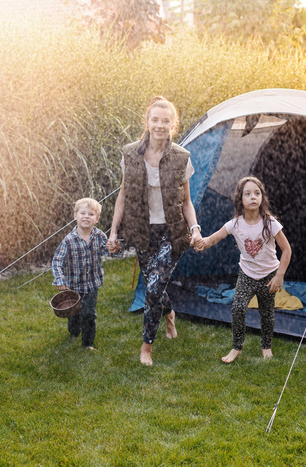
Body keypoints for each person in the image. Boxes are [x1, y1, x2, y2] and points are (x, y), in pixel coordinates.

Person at [107, 96, 202, 366]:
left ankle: (146, 346)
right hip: (142, 232)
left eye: (166, 121)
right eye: (155, 120)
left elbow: (187, 202)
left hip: (172, 233)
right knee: (155, 286)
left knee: (152, 289)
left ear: (173, 124)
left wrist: (194, 229)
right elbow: (123, 196)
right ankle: (169, 314)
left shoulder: (182, 157)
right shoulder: (130, 154)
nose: (160, 125)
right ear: (147, 122)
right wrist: (114, 232)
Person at [193, 176, 292, 363]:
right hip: (246, 275)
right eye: (248, 194)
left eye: (257, 193)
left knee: (267, 314)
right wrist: (200, 243)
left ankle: (266, 346)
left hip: (269, 276)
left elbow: (287, 250)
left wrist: (280, 275)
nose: (253, 197)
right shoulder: (235, 224)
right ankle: (237, 347)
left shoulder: (270, 223)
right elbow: (212, 240)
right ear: (240, 199)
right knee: (238, 308)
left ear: (262, 197)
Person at [52, 198, 107, 350]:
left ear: (97, 218)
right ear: (75, 216)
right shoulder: (69, 240)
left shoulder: (99, 236)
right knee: (74, 314)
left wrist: (115, 247)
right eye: (82, 213)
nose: (86, 216)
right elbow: (57, 261)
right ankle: (74, 331)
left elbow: (109, 250)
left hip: (92, 284)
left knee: (89, 314)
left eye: (91, 214)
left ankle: (88, 344)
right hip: (73, 286)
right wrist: (59, 278)